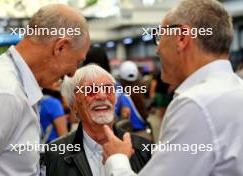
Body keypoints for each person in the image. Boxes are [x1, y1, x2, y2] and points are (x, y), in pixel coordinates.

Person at [102, 0, 243, 176]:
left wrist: (117, 159)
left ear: (182, 38)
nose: (157, 50)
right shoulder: (234, 91)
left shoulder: (196, 104)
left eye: (160, 37)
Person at [0, 4, 90, 175]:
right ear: (60, 47)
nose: (72, 73)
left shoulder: (13, 85)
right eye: (77, 62)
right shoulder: (4, 92)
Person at [44, 64, 152, 176]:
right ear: (74, 105)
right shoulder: (53, 155)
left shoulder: (144, 150)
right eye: (90, 90)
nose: (102, 96)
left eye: (108, 88)